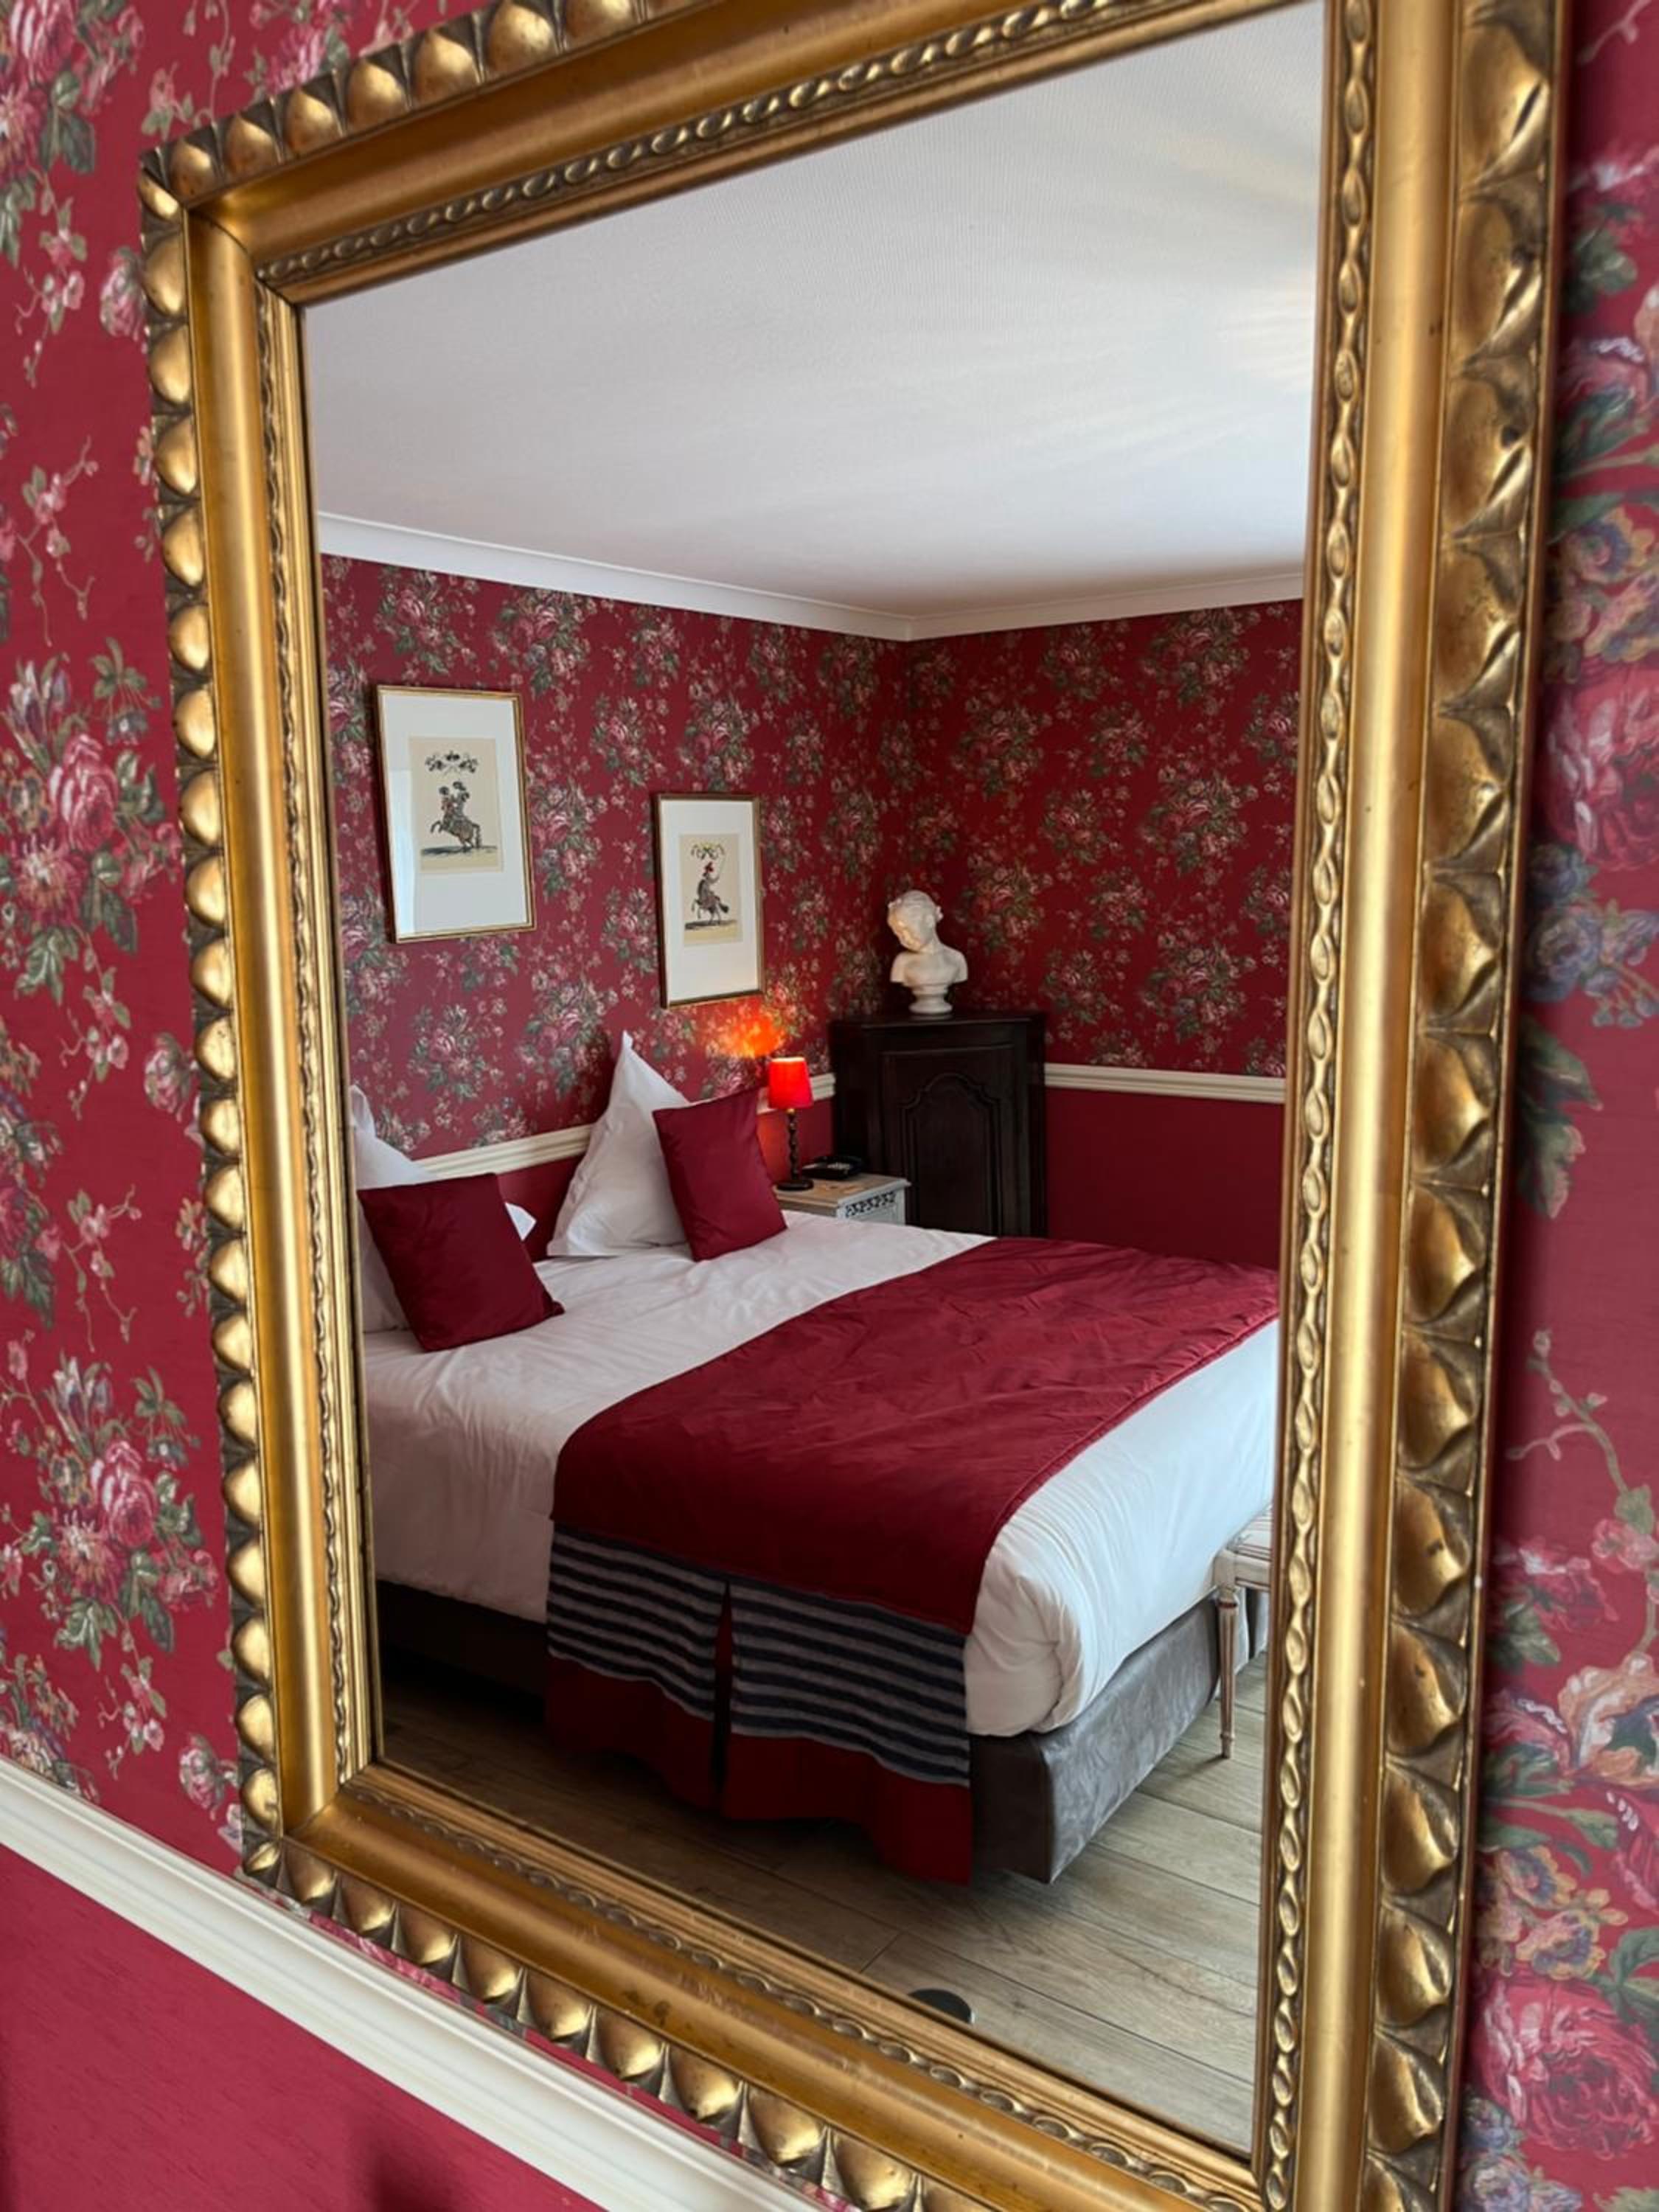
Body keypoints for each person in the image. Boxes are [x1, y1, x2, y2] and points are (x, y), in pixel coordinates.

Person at [886, 888, 967, 1018]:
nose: (904, 938)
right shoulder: (902, 962)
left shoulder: (956, 959)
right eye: (899, 934)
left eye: (908, 930)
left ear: (929, 921)